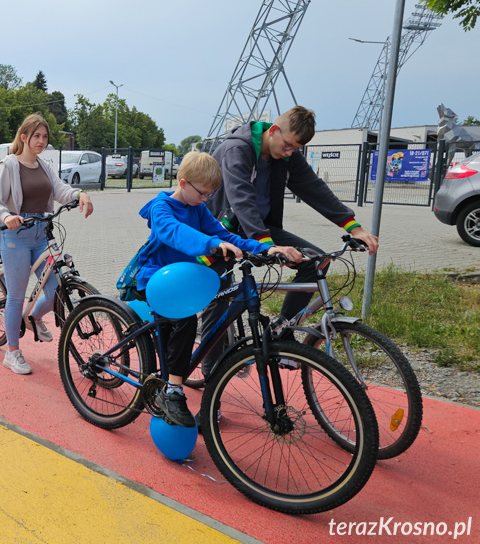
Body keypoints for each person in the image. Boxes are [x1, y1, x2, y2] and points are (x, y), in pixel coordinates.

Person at [201, 105, 379, 379]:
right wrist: (265, 243)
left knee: (316, 261)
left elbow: (313, 187)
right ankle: (212, 377)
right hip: (219, 228)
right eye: (286, 146)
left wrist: (353, 227)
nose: (288, 153)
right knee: (218, 294)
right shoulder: (239, 148)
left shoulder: (285, 155)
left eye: (294, 149)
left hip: (260, 230)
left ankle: (282, 334)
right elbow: (240, 195)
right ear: (273, 131)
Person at [135, 152, 297, 426]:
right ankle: (173, 390)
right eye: (203, 193)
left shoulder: (197, 208)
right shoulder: (160, 208)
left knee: (182, 323)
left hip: (182, 280)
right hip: (156, 279)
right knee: (184, 319)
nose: (207, 199)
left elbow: (224, 234)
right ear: (184, 183)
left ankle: (168, 374)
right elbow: (174, 232)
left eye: (211, 194)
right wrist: (209, 245)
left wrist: (267, 248)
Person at [0, 113, 94, 375]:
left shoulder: (45, 166)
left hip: (41, 234)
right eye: (37, 136)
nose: (41, 141)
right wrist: (7, 216)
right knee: (16, 295)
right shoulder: (8, 165)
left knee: (56, 289)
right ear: (24, 137)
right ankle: (12, 353)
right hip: (16, 236)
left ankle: (33, 316)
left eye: (45, 137)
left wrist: (81, 194)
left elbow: (61, 191)